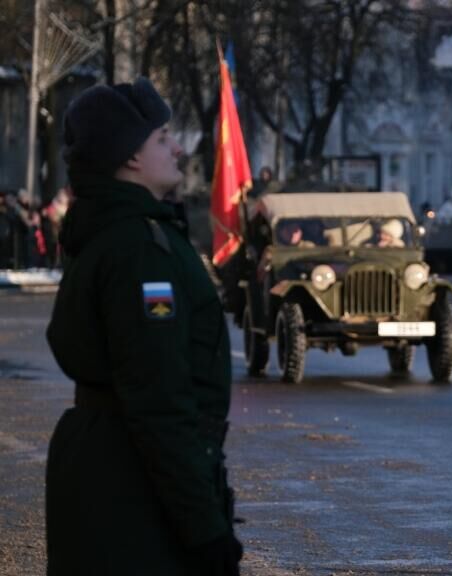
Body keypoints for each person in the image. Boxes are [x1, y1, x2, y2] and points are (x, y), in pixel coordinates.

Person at [45, 77, 242, 576]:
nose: (177, 147)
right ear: (130, 156)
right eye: (161, 137)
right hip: (130, 494)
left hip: (115, 481)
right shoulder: (138, 251)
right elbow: (157, 403)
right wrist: (205, 529)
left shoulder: (124, 233)